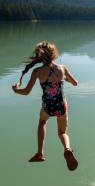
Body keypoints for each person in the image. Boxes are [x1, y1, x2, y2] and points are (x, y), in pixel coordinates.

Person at [12, 41, 79, 170]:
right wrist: (63, 77)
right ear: (54, 54)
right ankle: (67, 148)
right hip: (61, 106)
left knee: (42, 122)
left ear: (39, 56)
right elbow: (75, 83)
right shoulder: (62, 68)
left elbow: (26, 92)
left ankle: (40, 153)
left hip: (48, 106)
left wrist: (16, 90)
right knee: (62, 132)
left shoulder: (37, 71)